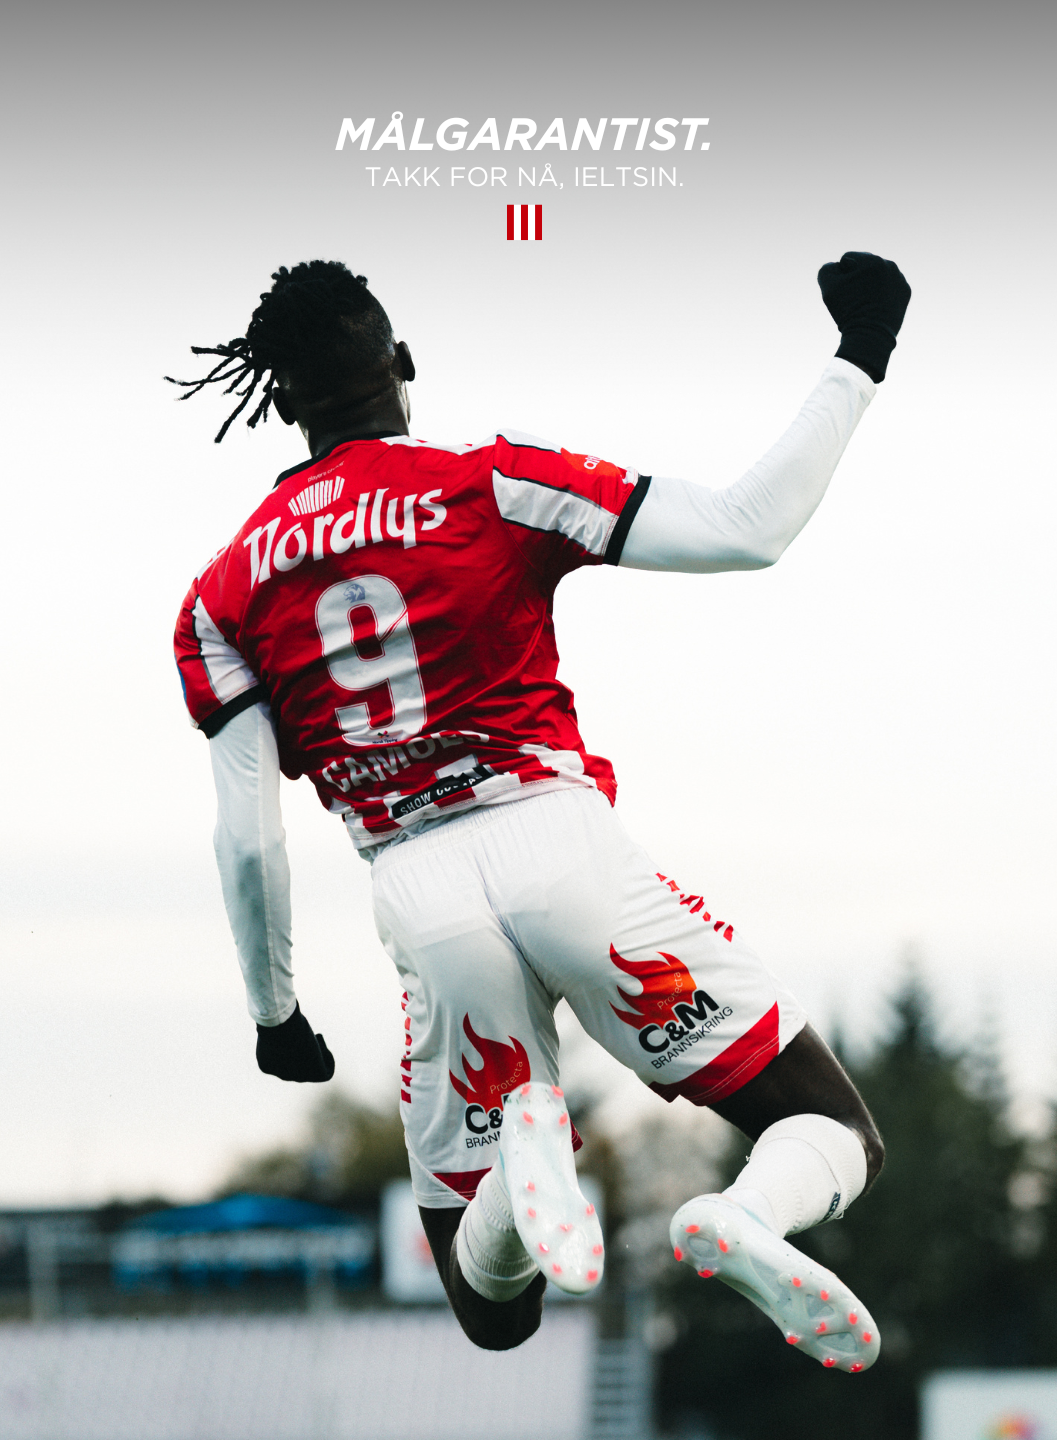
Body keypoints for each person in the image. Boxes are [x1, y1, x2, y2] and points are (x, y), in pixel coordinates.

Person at [171, 252, 910, 1366]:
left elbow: (248, 841)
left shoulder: (218, 597)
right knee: (830, 1126)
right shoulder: (493, 482)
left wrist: (275, 1011)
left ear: (281, 404)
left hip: (416, 889)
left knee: (493, 1315)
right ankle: (747, 1216)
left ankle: (521, 1184)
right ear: (402, 364)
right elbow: (746, 528)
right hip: (560, 847)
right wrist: (862, 351)